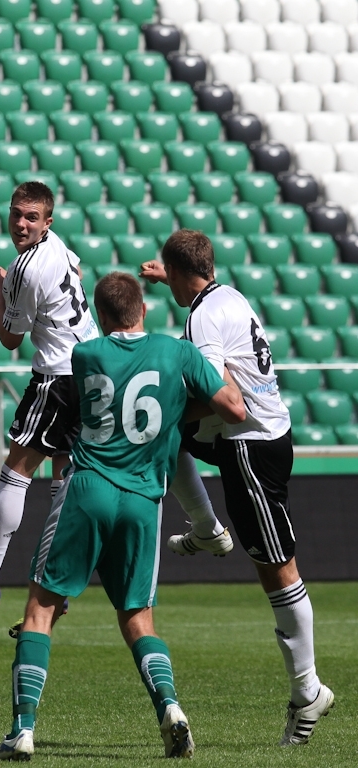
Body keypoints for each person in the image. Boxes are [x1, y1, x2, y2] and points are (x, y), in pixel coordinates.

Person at [0, 272, 246, 760]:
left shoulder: (85, 355)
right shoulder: (180, 354)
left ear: (102, 317)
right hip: (144, 499)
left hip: (88, 489)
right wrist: (176, 405)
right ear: (145, 310)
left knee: (40, 610)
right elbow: (231, 409)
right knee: (138, 617)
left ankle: (22, 729)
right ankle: (169, 706)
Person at [140, 229, 335, 747]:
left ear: (182, 274)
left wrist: (174, 407)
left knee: (278, 572)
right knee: (169, 439)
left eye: (169, 274)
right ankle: (206, 529)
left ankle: (307, 691)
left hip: (249, 444)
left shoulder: (203, 315)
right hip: (261, 435)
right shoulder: (225, 295)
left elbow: (227, 399)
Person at [0, 181, 98, 613]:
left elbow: (11, 339)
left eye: (31, 217)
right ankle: (57, 585)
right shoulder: (59, 246)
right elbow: (77, 275)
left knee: (16, 472)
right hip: (89, 370)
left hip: (57, 377)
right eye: (17, 214)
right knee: (64, 480)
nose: (21, 223)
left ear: (47, 221)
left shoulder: (25, 269)